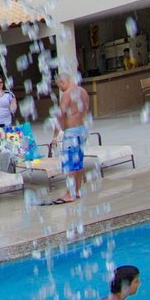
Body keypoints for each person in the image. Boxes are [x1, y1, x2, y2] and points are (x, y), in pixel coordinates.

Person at [50, 71, 91, 204]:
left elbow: (60, 115)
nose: (61, 89)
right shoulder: (83, 92)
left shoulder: (67, 94)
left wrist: (55, 135)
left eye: (59, 86)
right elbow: (86, 111)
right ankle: (77, 191)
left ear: (63, 82)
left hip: (71, 132)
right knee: (78, 162)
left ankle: (70, 194)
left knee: (70, 165)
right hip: (82, 130)